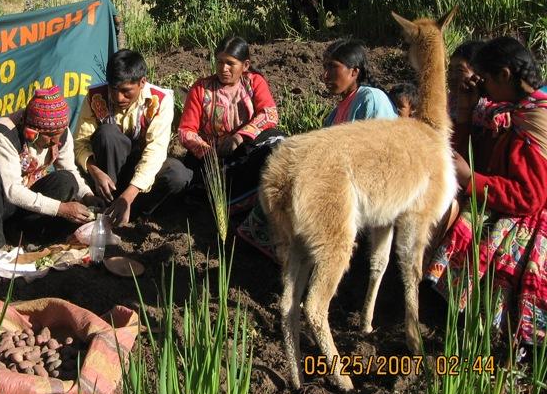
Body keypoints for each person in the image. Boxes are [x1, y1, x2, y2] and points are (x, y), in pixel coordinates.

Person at [426, 37, 547, 344]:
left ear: (505, 76)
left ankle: (487, 328)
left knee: (484, 230)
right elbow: (473, 159)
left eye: (487, 80)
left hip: (529, 209)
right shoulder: (512, 112)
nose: (484, 90)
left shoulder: (533, 120)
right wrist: (466, 113)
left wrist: (471, 181)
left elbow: (530, 196)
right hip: (505, 196)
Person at [237, 39, 396, 259]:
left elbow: (383, 154)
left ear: (354, 72)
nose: (325, 75)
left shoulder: (371, 99)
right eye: (325, 67)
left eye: (333, 67)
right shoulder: (336, 113)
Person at [0, 86, 102, 251]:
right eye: (50, 138)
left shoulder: (59, 132)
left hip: (25, 203)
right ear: (32, 132)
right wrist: (61, 209)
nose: (56, 143)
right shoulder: (3, 136)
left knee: (67, 180)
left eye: (59, 135)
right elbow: (13, 191)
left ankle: (26, 235)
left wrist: (87, 195)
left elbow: (70, 169)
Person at [74, 49, 192, 227]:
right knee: (107, 133)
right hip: (106, 175)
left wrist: (128, 195)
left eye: (126, 91)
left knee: (178, 175)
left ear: (142, 82)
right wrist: (95, 172)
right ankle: (108, 206)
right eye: (113, 89)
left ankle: (136, 211)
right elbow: (80, 144)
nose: (118, 97)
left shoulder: (160, 101)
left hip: (141, 172)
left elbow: (155, 152)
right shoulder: (95, 97)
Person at [178, 36, 283, 212]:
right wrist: (208, 154)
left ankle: (238, 190)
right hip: (211, 158)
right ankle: (231, 193)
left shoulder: (254, 82)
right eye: (219, 62)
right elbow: (186, 130)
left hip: (246, 151)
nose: (223, 68)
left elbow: (269, 114)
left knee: (277, 139)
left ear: (246, 65)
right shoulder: (201, 88)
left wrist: (239, 136)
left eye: (230, 63)